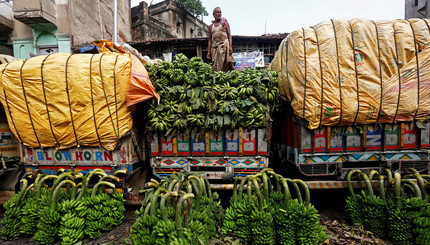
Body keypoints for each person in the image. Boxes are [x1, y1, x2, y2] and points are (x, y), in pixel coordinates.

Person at [207, 7, 235, 71]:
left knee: (230, 63)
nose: (219, 14)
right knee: (216, 67)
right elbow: (210, 40)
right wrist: (208, 52)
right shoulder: (211, 27)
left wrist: (230, 47)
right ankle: (218, 79)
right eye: (217, 12)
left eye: (220, 12)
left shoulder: (225, 23)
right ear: (213, 14)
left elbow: (229, 35)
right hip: (215, 48)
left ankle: (236, 77)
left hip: (224, 46)